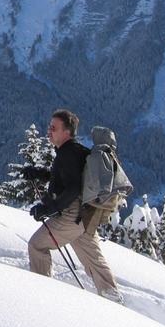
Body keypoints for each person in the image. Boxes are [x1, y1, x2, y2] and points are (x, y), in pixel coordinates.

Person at [24, 109, 124, 303]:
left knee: (36, 246)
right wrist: (38, 173)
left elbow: (72, 188)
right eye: (49, 126)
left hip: (71, 216)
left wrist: (48, 209)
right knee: (93, 260)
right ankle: (113, 298)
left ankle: (40, 294)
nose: (49, 131)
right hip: (85, 216)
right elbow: (65, 176)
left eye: (54, 128)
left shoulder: (67, 154)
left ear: (67, 132)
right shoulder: (75, 150)